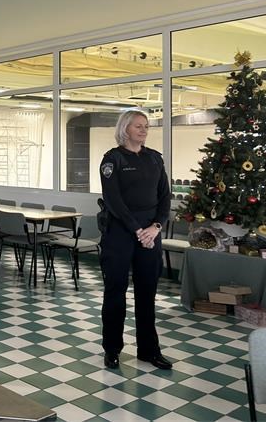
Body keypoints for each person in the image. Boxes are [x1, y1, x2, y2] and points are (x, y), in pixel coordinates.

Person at [99, 110, 172, 370]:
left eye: (146, 126)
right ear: (125, 129)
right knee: (115, 292)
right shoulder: (113, 159)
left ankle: (149, 350)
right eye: (138, 126)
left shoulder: (154, 158)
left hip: (150, 233)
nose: (143, 130)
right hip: (120, 233)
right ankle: (112, 349)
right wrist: (138, 230)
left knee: (147, 293)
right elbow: (113, 200)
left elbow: (164, 197)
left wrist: (156, 227)